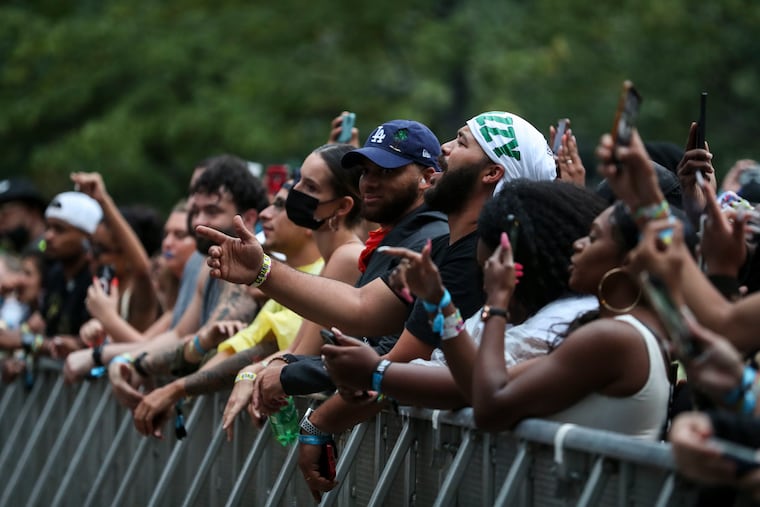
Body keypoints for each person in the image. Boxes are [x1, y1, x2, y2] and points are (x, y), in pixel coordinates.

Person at [131, 180, 329, 436]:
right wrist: (176, 391)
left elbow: (269, 349)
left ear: (312, 220)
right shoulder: (278, 281)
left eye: (281, 206)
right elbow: (238, 347)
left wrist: (177, 390)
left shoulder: (319, 276)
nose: (265, 214)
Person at [0, 191, 103, 357]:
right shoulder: (55, 275)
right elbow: (36, 327)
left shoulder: (97, 280)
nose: (48, 236)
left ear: (87, 236)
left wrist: (27, 342)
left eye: (60, 230)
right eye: (48, 227)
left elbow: (83, 345)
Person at [71, 172, 162, 340]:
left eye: (100, 250)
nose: (90, 257)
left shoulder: (139, 295)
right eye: (89, 247)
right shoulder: (103, 294)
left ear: (128, 257)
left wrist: (103, 200)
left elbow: (143, 270)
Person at [0, 178, 47, 254]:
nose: (0, 220)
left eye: (5, 212)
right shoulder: (17, 254)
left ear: (33, 210)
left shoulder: (56, 252)